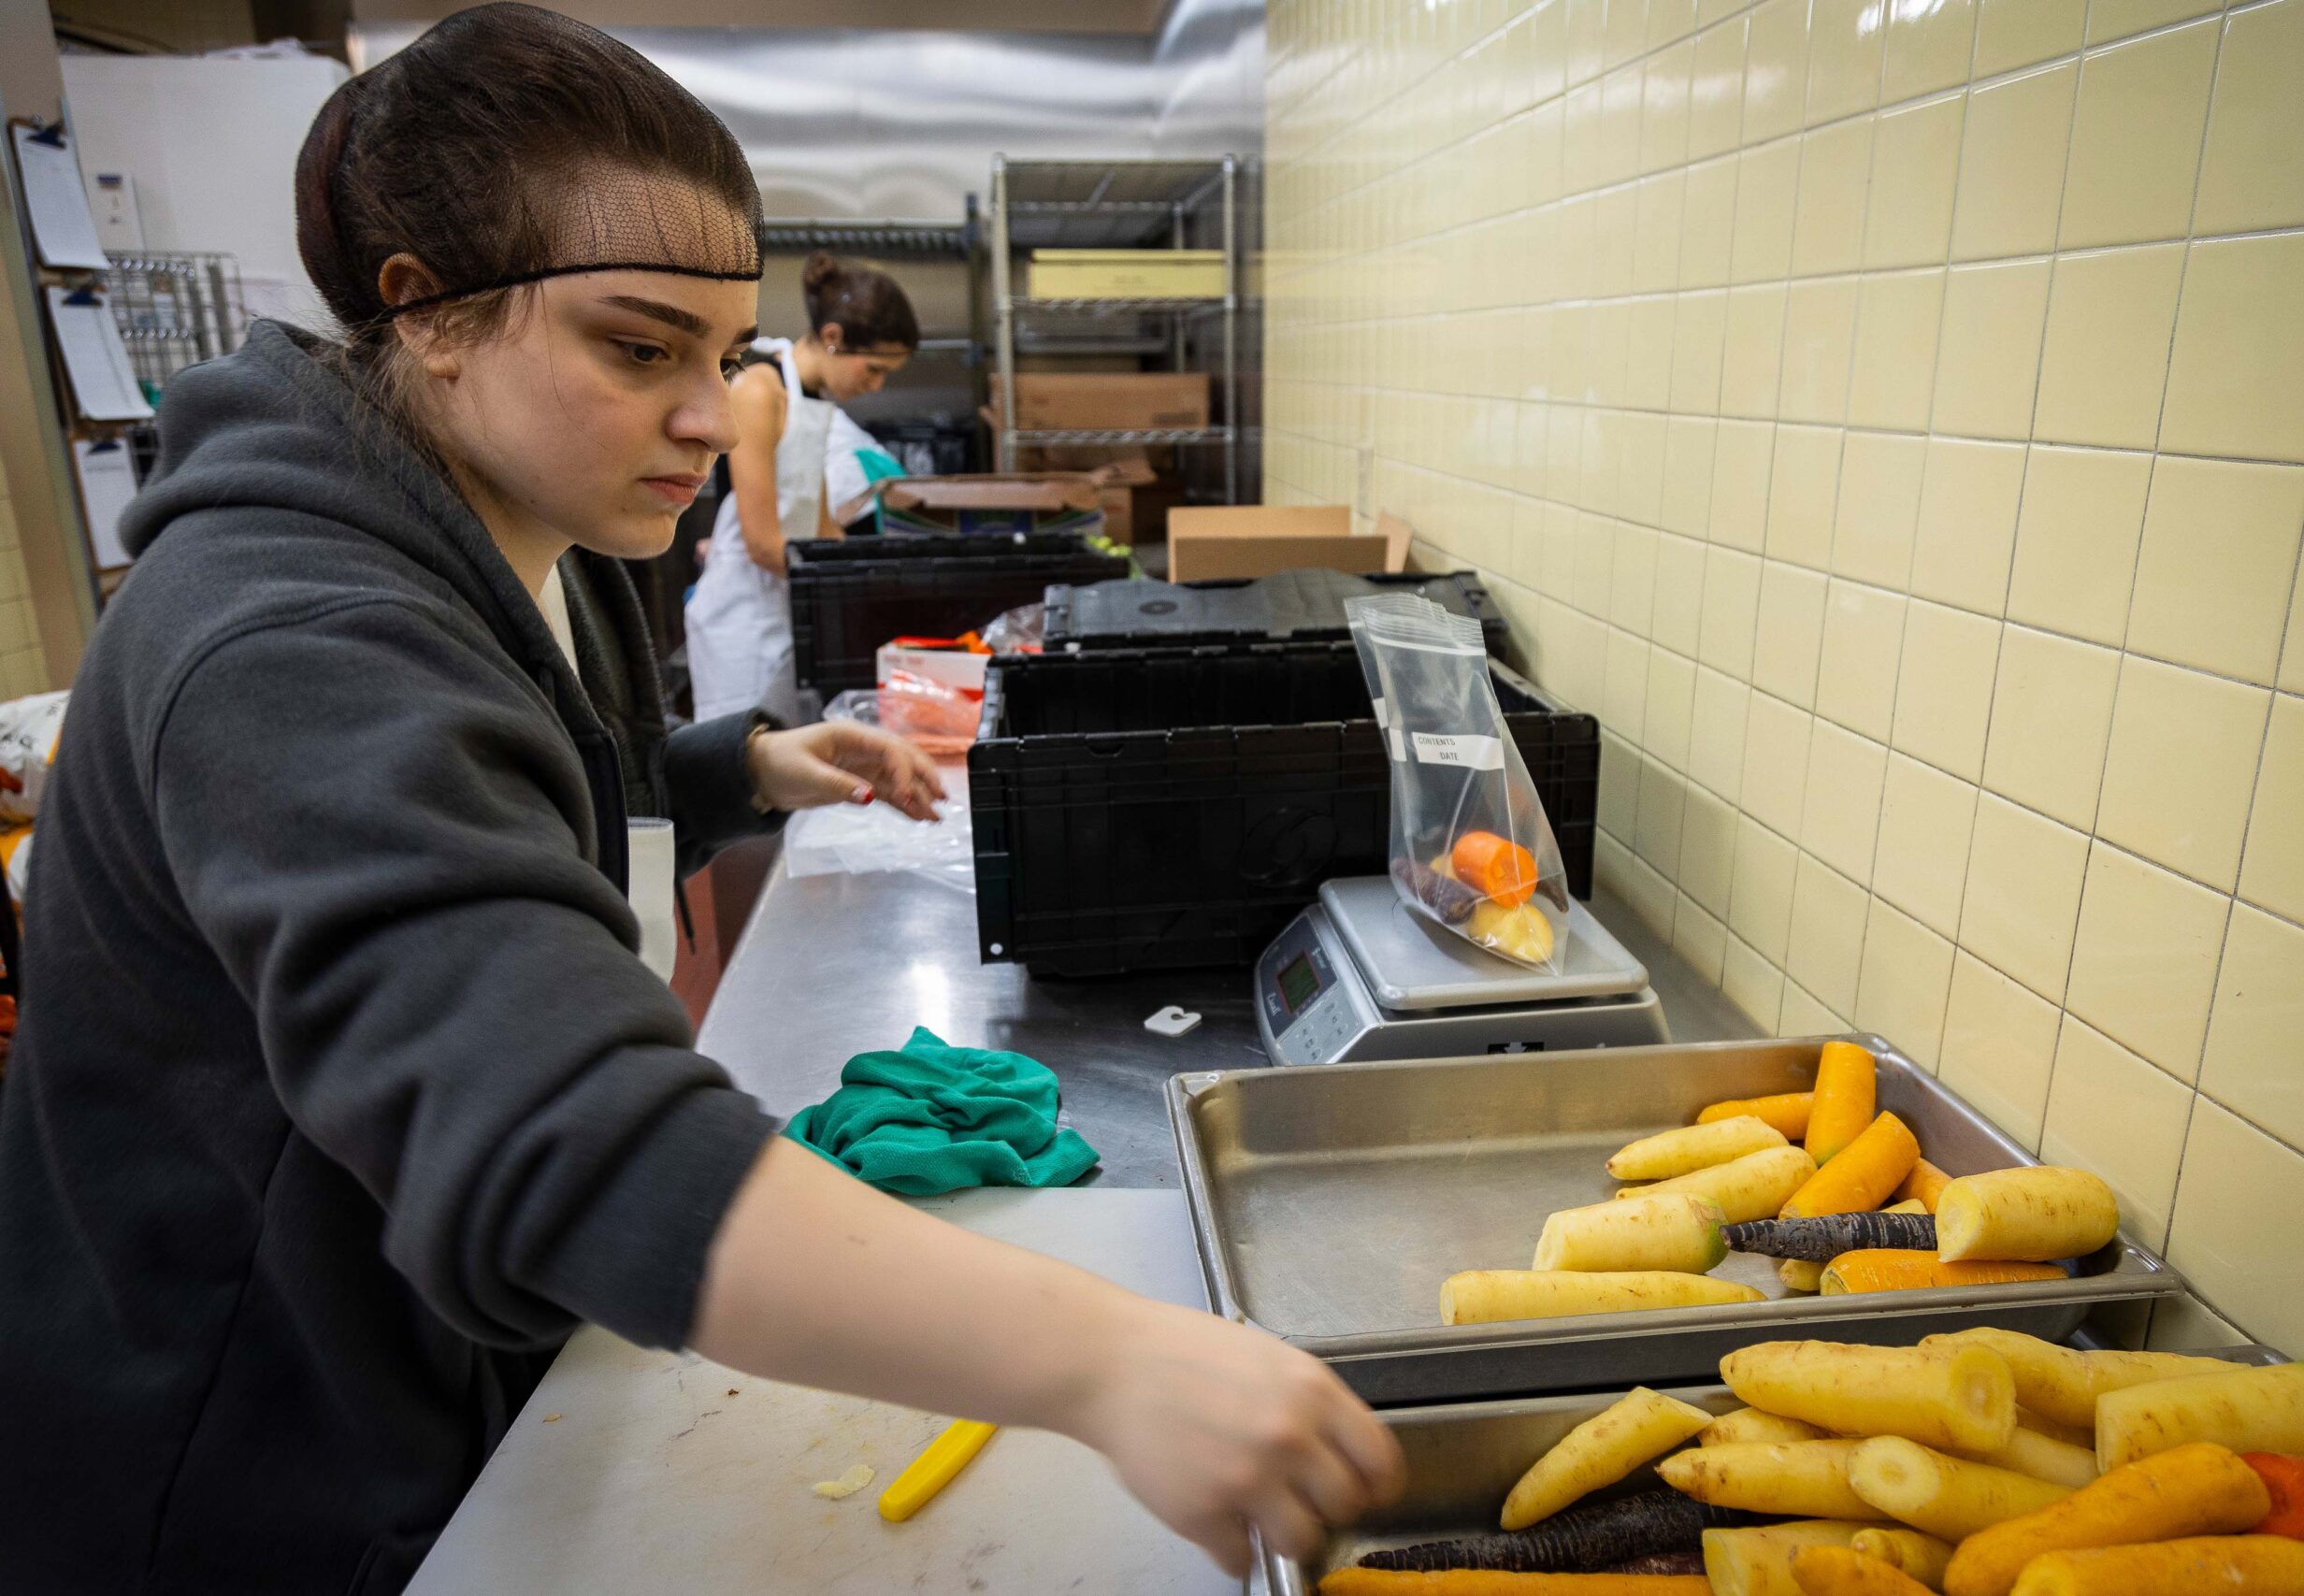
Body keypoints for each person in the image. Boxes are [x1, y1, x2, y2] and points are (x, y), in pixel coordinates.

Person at [0, 8, 1401, 1595]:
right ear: (428, 314)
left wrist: (732, 767)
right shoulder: (283, 634)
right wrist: (1106, 1362)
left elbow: (511, 790)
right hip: (244, 1471)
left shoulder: (540, 531)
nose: (712, 408)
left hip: (439, 1374)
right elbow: (555, 1134)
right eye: (637, 344)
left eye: (725, 351)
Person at [684, 253, 914, 722]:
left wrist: (881, 580)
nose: (876, 386)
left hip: (793, 606)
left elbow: (825, 527)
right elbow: (764, 543)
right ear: (833, 338)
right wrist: (847, 592)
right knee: (745, 764)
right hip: (744, 619)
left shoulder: (814, 401)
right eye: (873, 369)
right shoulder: (760, 389)